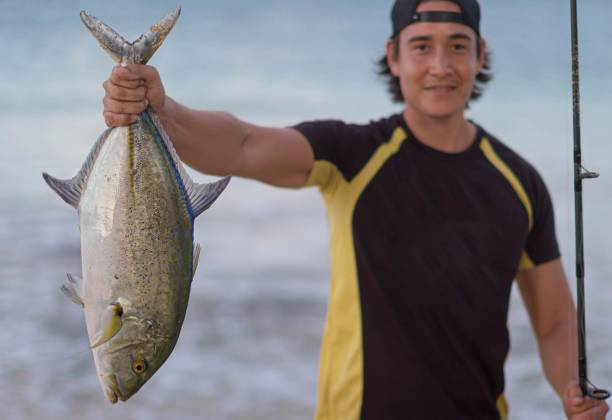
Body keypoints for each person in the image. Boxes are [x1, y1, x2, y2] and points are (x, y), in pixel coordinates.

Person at [101, 0, 609, 418]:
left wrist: (571, 387)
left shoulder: (519, 182)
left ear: (480, 55)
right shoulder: (351, 153)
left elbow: (554, 319)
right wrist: (163, 111)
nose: (440, 66)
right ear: (393, 56)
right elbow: (244, 145)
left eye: (458, 46)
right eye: (422, 47)